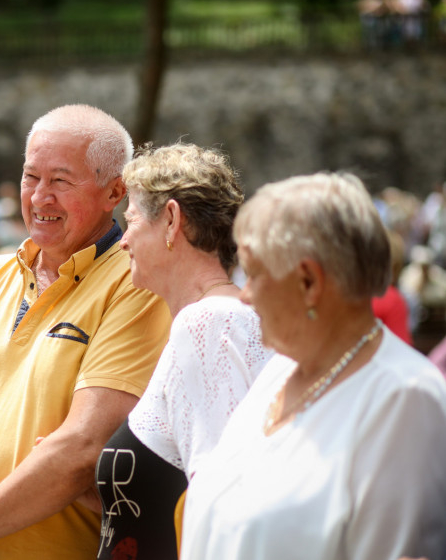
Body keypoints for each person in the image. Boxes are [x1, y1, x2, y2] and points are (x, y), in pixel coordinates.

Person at [0, 104, 172, 560]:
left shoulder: (135, 283)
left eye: (61, 181)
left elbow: (83, 448)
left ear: (115, 192)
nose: (41, 197)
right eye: (31, 177)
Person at [180, 172, 446, 560]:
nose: (245, 296)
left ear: (308, 282)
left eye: (253, 275)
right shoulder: (280, 369)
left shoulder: (404, 400)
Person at [94, 143, 273, 559]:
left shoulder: (208, 324)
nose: (123, 242)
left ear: (172, 220)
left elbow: (219, 500)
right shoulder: (226, 319)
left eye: (131, 220)